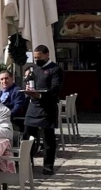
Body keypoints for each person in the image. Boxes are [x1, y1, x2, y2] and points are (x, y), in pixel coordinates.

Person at [23, 45, 64, 175]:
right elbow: (30, 82)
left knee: (48, 139)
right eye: (35, 58)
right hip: (33, 107)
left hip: (48, 107)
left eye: (39, 57)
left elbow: (55, 89)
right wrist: (28, 88)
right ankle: (27, 163)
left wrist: (40, 95)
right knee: (28, 136)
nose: (37, 60)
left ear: (47, 55)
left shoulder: (55, 69)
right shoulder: (33, 68)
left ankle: (48, 166)